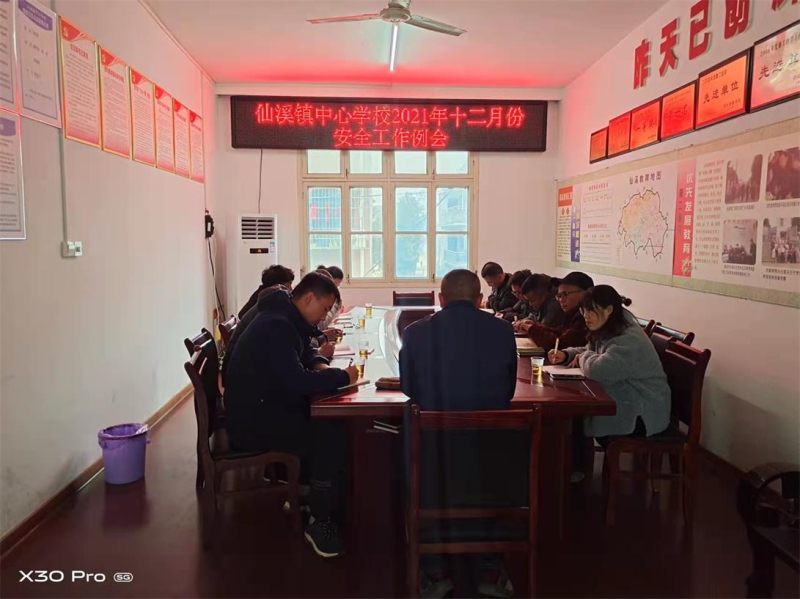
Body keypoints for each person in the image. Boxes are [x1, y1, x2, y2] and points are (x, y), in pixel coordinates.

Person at [400, 269, 518, 598]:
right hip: (492, 454)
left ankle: (435, 570)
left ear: (441, 299)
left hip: (433, 454)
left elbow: (409, 388)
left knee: (408, 437)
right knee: (498, 469)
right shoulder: (502, 330)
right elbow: (508, 391)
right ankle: (491, 568)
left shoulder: (415, 332)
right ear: (480, 300)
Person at [224, 272, 358, 558]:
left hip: (264, 407)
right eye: (324, 309)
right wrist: (342, 377)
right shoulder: (277, 325)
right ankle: (318, 520)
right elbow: (296, 380)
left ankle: (307, 494)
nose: (324, 317)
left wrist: (322, 365)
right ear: (308, 298)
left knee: (326, 423)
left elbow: (306, 351)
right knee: (330, 433)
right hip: (252, 422)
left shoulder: (286, 315)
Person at [548, 285, 671, 466]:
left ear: (609, 309)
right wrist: (566, 355)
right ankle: (571, 469)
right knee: (571, 419)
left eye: (591, 311)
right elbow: (590, 351)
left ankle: (574, 471)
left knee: (572, 419)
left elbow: (598, 369)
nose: (586, 316)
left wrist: (583, 357)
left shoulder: (629, 338)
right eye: (583, 311)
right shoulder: (611, 326)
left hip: (642, 411)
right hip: (625, 398)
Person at [526, 271, 593, 351]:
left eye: (566, 294)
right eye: (559, 296)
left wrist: (532, 329)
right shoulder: (571, 313)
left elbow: (560, 344)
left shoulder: (585, 317)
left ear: (585, 293)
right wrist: (534, 326)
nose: (561, 300)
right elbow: (560, 332)